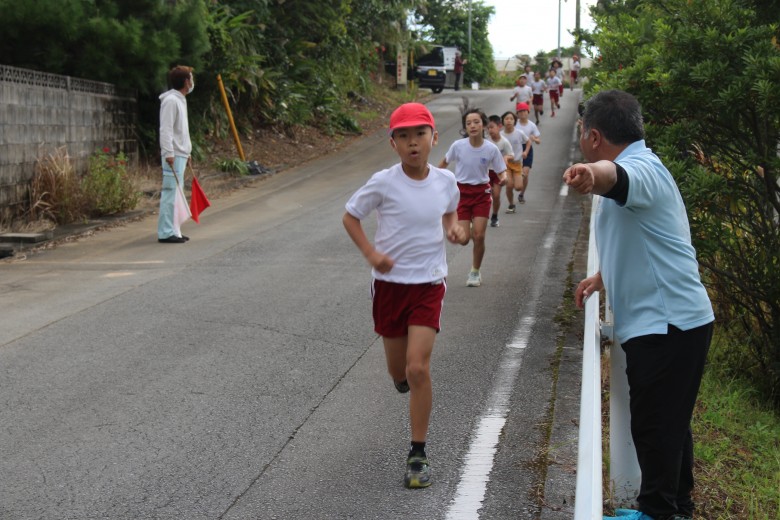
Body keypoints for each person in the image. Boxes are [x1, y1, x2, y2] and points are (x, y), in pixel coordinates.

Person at [564, 90, 714, 520]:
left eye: (581, 136)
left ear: (594, 136)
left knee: (653, 426)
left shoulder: (638, 169)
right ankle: (676, 508)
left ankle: (657, 511)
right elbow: (642, 238)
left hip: (667, 324)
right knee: (670, 424)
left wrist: (589, 174)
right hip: (676, 319)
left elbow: (612, 176)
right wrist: (603, 275)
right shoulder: (646, 165)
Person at [343, 103, 466, 489]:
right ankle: (402, 380)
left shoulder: (446, 181)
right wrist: (371, 254)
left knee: (418, 369)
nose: (413, 143)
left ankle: (418, 453)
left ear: (434, 137)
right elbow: (350, 216)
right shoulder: (383, 182)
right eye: (404, 136)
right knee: (398, 372)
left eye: (419, 134)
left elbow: (450, 213)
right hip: (390, 288)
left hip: (429, 283)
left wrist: (454, 230)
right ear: (393, 143)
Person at [438, 109, 507, 287]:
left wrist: (504, 178)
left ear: (483, 125)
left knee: (479, 236)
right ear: (465, 127)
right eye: (468, 123)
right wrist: (434, 179)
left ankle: (475, 272)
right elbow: (443, 164)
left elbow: (501, 170)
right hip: (460, 193)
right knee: (463, 240)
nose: (472, 126)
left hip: (481, 194)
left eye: (476, 122)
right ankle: (467, 224)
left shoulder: (491, 149)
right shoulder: (458, 146)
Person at [158, 65, 195, 244]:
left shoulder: (180, 99)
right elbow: (166, 129)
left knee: (176, 194)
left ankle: (175, 230)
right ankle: (166, 232)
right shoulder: (171, 101)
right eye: (191, 78)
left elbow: (181, 131)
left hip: (180, 153)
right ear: (186, 82)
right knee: (170, 192)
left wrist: (187, 152)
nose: (192, 81)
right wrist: (168, 152)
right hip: (173, 154)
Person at [500, 111, 531, 214]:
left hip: (517, 163)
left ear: (514, 121)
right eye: (506, 119)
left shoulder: (519, 133)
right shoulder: (500, 135)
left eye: (511, 119)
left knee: (518, 187)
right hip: (506, 164)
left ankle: (519, 176)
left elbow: (528, 141)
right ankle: (511, 204)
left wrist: (526, 152)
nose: (509, 121)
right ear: (503, 121)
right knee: (509, 186)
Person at [486, 115, 514, 227]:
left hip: (498, 172)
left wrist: (506, 158)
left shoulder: (504, 142)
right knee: (485, 194)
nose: (490, 130)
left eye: (492, 127)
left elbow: (512, 154)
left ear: (499, 127)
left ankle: (494, 215)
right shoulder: (486, 141)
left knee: (496, 195)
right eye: (488, 128)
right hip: (486, 172)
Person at [515, 103, 541, 204]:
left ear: (528, 112)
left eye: (524, 111)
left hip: (527, 148)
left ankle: (521, 194)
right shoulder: (515, 124)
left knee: (525, 173)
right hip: (516, 148)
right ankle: (516, 183)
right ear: (517, 113)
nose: (522, 113)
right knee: (516, 171)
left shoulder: (532, 125)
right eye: (520, 111)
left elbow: (538, 141)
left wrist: (534, 139)